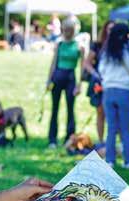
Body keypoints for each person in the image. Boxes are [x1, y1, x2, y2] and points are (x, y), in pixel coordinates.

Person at [98, 22, 129, 169]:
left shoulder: (107, 49)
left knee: (111, 128)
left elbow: (101, 69)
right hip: (125, 90)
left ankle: (110, 160)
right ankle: (128, 161)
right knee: (125, 128)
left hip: (109, 90)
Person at [46, 17, 85, 148]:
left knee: (70, 109)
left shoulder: (79, 46)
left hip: (70, 78)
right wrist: (49, 80)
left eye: (70, 30)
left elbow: (82, 67)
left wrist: (79, 84)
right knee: (54, 108)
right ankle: (52, 139)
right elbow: (53, 63)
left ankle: (70, 137)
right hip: (57, 76)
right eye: (65, 29)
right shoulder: (59, 44)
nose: (67, 32)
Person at [82, 20, 114, 143]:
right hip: (99, 82)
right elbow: (87, 63)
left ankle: (111, 140)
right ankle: (101, 141)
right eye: (109, 29)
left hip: (113, 82)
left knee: (112, 113)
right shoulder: (97, 45)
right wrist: (95, 74)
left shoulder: (119, 46)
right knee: (100, 112)